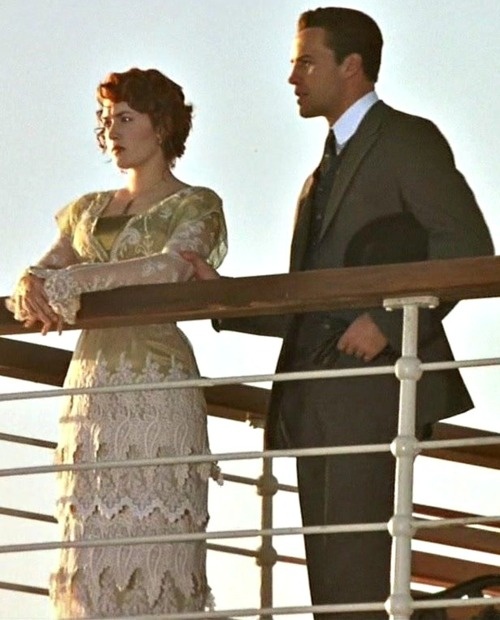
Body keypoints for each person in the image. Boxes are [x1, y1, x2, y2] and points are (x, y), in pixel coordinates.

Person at [182, 7, 494, 620]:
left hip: (371, 392)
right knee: (332, 588)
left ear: (351, 67)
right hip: (314, 398)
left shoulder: (406, 139)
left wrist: (389, 321)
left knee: (353, 579)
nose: (292, 76)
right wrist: (222, 296)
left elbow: (467, 249)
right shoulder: (316, 176)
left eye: (306, 61)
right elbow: (310, 300)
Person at [6, 67, 227, 617]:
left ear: (163, 127)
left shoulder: (195, 203)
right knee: (89, 551)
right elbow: (43, 270)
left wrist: (74, 283)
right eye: (107, 120)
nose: (112, 131)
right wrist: (30, 282)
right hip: (92, 387)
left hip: (157, 383)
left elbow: (172, 267)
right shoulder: (86, 209)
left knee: (156, 548)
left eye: (126, 119)